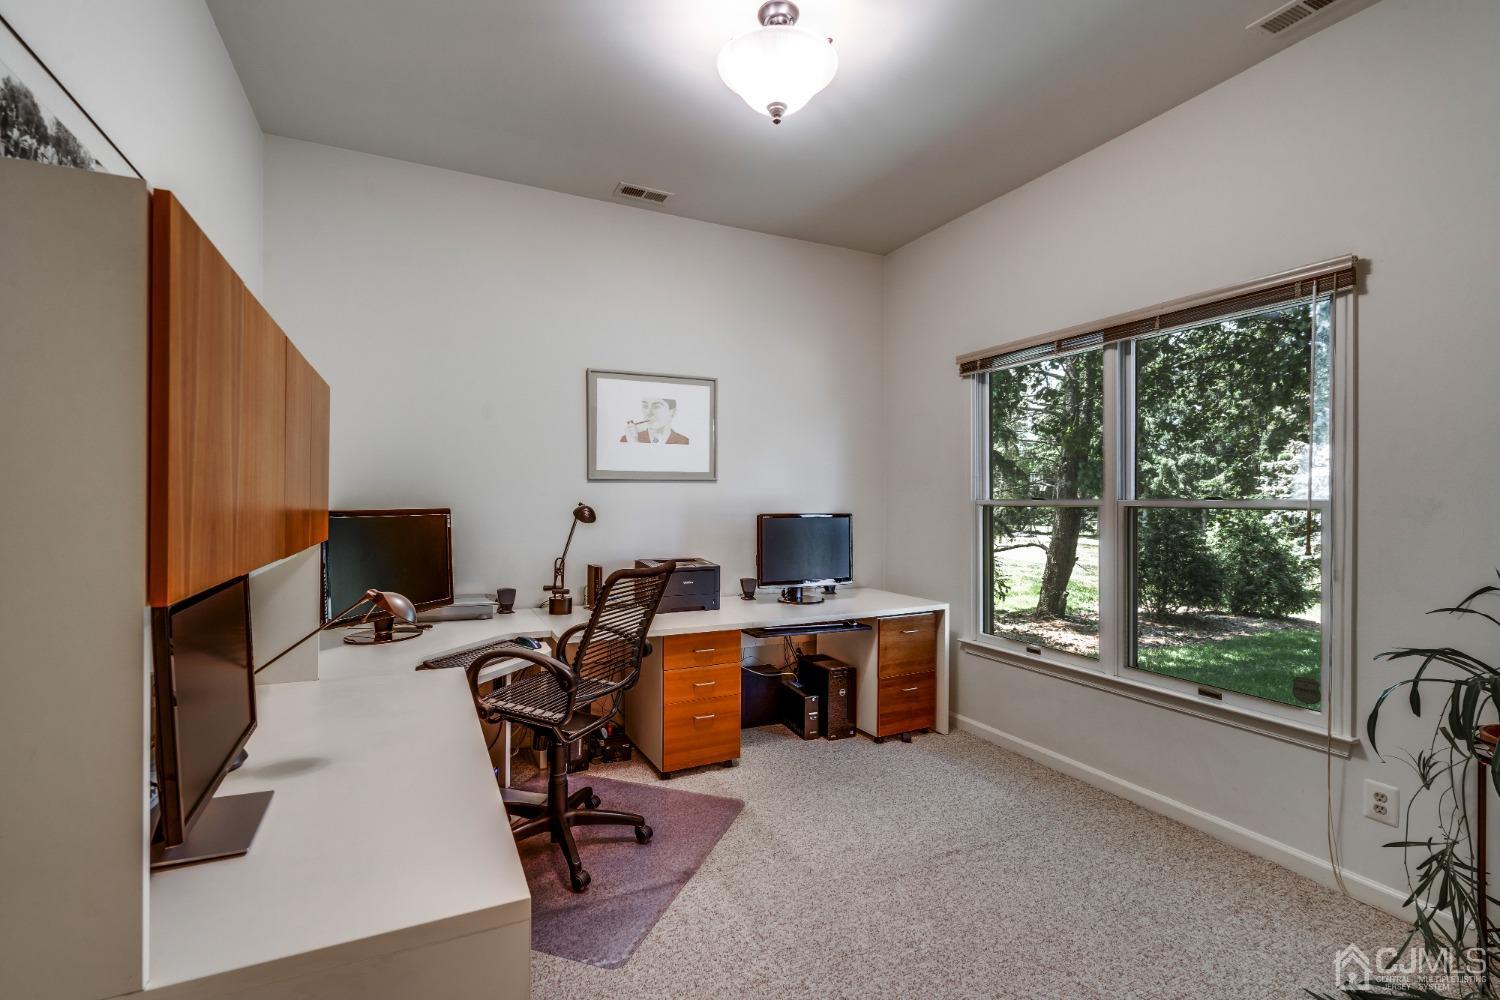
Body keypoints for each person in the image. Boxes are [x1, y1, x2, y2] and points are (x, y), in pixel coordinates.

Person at [621, 397, 688, 444]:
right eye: (645, 406)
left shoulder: (684, 442)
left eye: (657, 407)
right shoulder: (627, 439)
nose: (648, 413)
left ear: (672, 412)